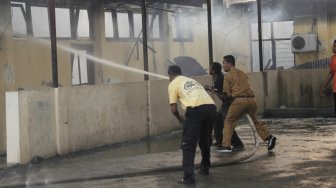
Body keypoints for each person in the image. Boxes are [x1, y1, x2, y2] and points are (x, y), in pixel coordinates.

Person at [216, 55, 277, 153]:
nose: (223, 66)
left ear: (229, 63)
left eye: (224, 63)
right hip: (252, 100)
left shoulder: (228, 76)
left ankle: (226, 146)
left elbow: (226, 95)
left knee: (229, 121)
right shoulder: (243, 73)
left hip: (239, 101)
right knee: (255, 121)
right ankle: (269, 137)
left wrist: (215, 91)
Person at [168, 65, 216, 184]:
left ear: (170, 75)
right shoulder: (191, 80)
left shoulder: (173, 84)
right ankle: (205, 168)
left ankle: (188, 178)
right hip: (211, 107)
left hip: (196, 110)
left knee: (188, 144)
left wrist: (180, 119)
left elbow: (173, 109)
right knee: (205, 140)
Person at [205, 62, 244, 150]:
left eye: (210, 68)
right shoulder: (217, 78)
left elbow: (224, 96)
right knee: (217, 120)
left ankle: (238, 144)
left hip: (229, 103)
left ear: (213, 70)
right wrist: (211, 88)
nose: (208, 69)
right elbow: (219, 89)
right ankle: (220, 142)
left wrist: (212, 90)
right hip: (225, 104)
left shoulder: (220, 79)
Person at [322, 40, 336, 116]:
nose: (332, 48)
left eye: (334, 46)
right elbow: (331, 73)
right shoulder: (333, 58)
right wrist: (325, 86)